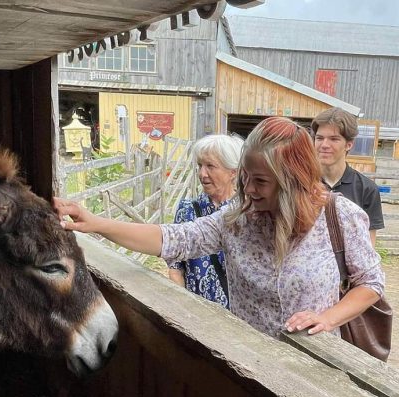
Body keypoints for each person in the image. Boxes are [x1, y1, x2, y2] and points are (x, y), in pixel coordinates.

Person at [54, 117, 384, 339]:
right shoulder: (237, 219)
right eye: (245, 178)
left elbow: (370, 283)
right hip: (250, 361)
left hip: (317, 364)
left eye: (261, 182)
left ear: (293, 181)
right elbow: (174, 239)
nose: (249, 190)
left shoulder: (340, 216)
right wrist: (95, 223)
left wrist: (328, 318)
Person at [167, 134, 244, 309]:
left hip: (238, 319)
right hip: (198, 315)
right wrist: (185, 309)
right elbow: (175, 268)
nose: (202, 174)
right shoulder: (187, 209)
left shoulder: (246, 213)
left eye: (210, 166)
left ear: (233, 172)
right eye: (200, 166)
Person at [311, 107, 384, 245]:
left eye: (334, 139)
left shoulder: (367, 190)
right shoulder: (301, 183)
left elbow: (368, 246)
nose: (324, 145)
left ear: (349, 144)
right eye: (319, 138)